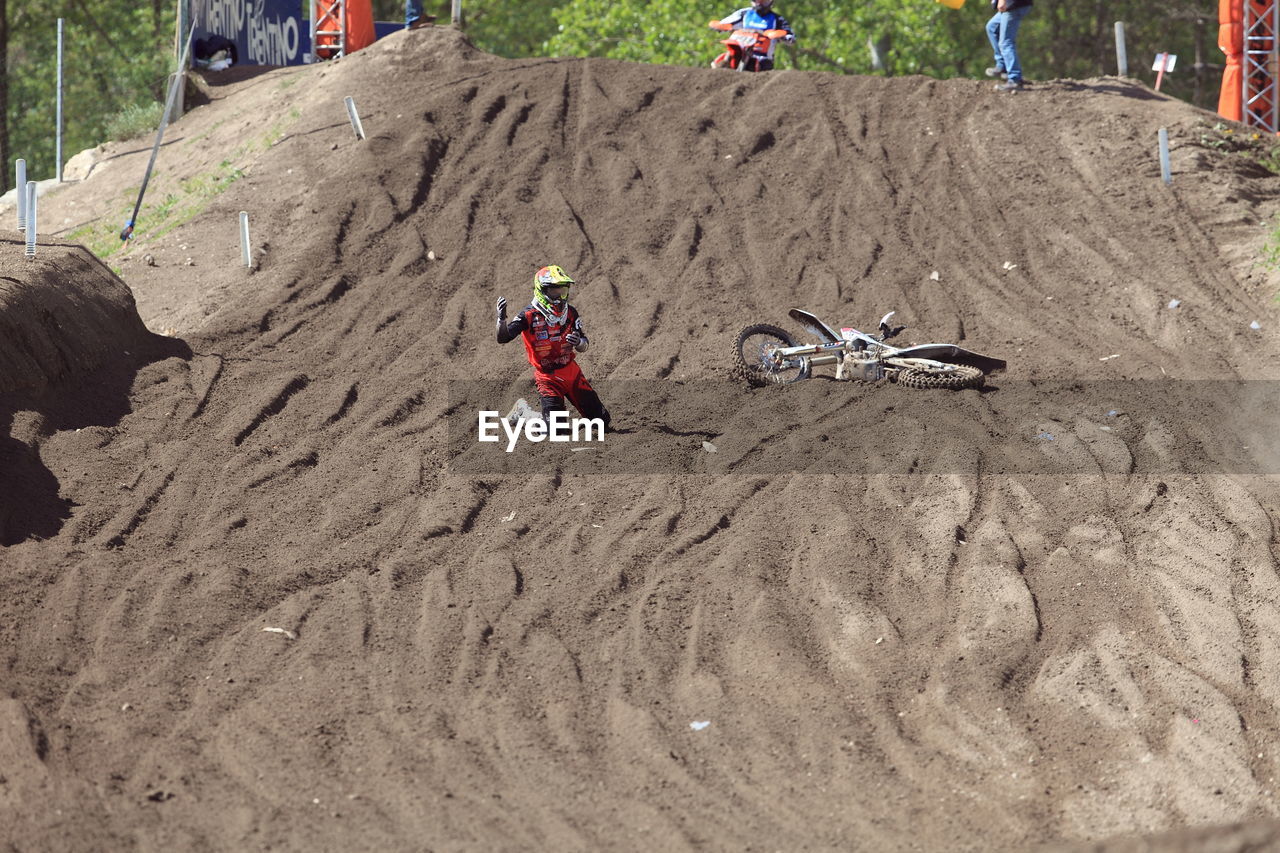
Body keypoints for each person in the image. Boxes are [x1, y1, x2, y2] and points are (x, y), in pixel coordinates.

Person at [496, 265, 612, 430]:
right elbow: (503, 338)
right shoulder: (528, 315)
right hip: (547, 378)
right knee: (556, 431)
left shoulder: (570, 312)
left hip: (571, 372)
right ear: (542, 290)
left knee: (602, 422)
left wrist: (578, 342)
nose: (559, 296)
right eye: (554, 291)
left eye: (562, 291)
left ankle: (575, 423)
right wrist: (501, 320)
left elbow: (584, 344)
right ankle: (524, 414)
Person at [710, 0, 795, 71]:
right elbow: (726, 22)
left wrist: (786, 37)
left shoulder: (777, 19)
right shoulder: (744, 13)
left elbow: (789, 34)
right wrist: (719, 26)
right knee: (724, 58)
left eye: (764, 1)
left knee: (761, 66)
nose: (760, 3)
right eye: (758, 0)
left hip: (763, 57)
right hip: (741, 47)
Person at [985, 0, 1032, 92]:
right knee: (992, 27)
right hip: (1013, 4)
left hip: (1013, 5)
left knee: (1006, 42)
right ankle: (1003, 67)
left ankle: (1015, 79)